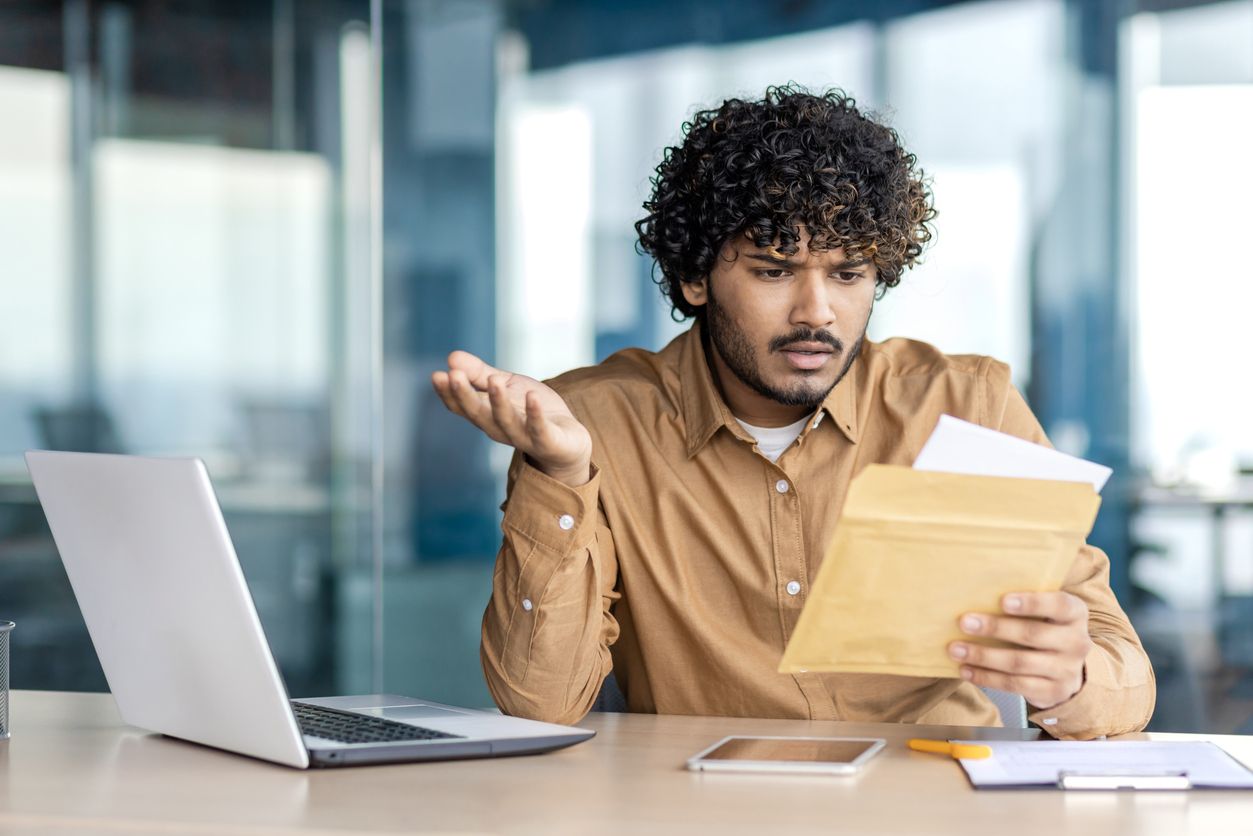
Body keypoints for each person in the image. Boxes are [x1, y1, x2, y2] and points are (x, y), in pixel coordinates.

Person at [431, 85, 1154, 739]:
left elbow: (1124, 673)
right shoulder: (592, 424)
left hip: (927, 804)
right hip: (697, 809)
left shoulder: (965, 406)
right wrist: (559, 470)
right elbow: (538, 703)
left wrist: (1070, 678)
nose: (817, 313)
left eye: (847, 274)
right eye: (773, 272)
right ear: (694, 277)